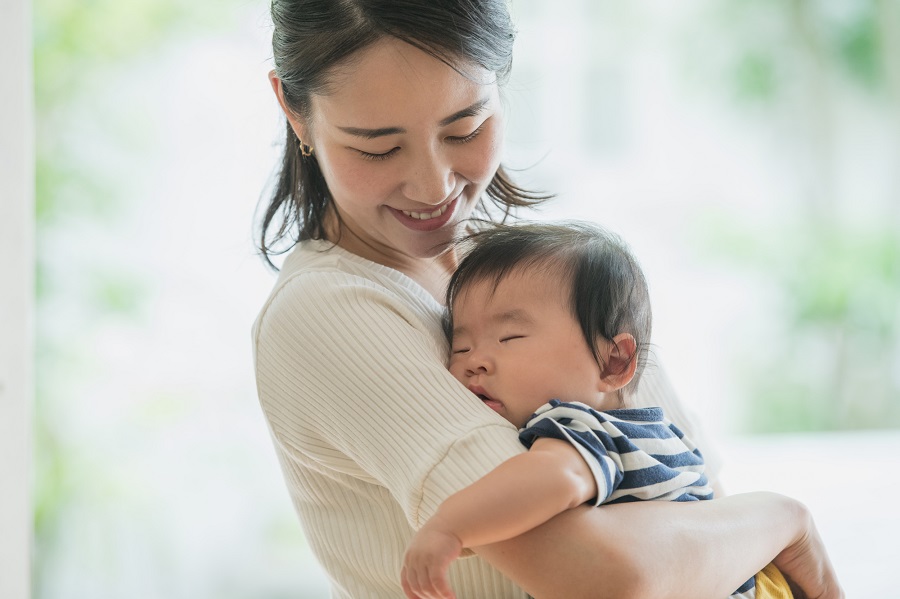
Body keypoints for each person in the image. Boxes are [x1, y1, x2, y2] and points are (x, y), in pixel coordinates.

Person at [252, 1, 844, 597]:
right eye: (378, 148)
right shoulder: (328, 314)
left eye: (465, 128)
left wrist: (741, 532)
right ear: (293, 111)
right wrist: (783, 520)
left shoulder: (537, 270)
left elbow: (696, 491)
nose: (435, 187)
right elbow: (613, 578)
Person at [400, 222, 808, 599]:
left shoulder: (580, 426)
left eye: (510, 337)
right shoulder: (662, 433)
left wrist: (449, 526)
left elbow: (555, 477)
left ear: (614, 362)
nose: (476, 361)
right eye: (461, 346)